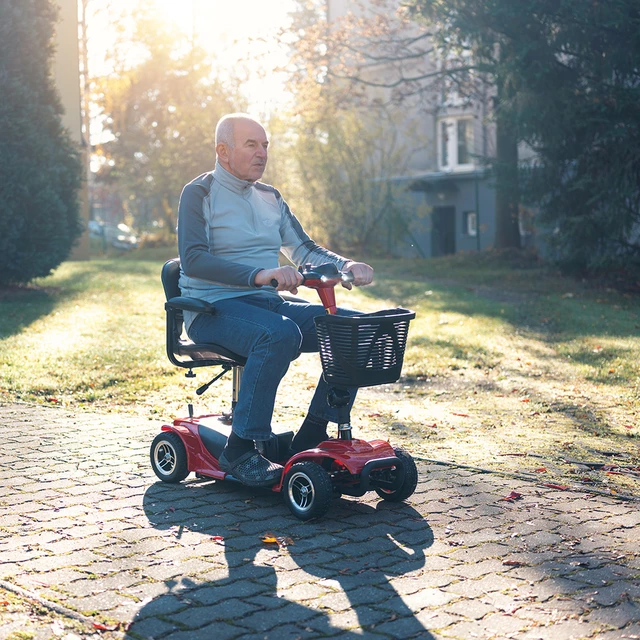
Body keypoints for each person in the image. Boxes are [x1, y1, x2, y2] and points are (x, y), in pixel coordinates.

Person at [177, 113, 373, 487]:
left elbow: (303, 249)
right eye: (251, 144)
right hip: (211, 308)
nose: (262, 153)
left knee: (355, 330)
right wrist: (259, 275)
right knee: (279, 335)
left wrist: (345, 264)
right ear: (223, 150)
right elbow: (194, 258)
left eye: (265, 145)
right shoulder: (199, 192)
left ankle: (312, 435)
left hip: (265, 306)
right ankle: (240, 447)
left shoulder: (270, 196)